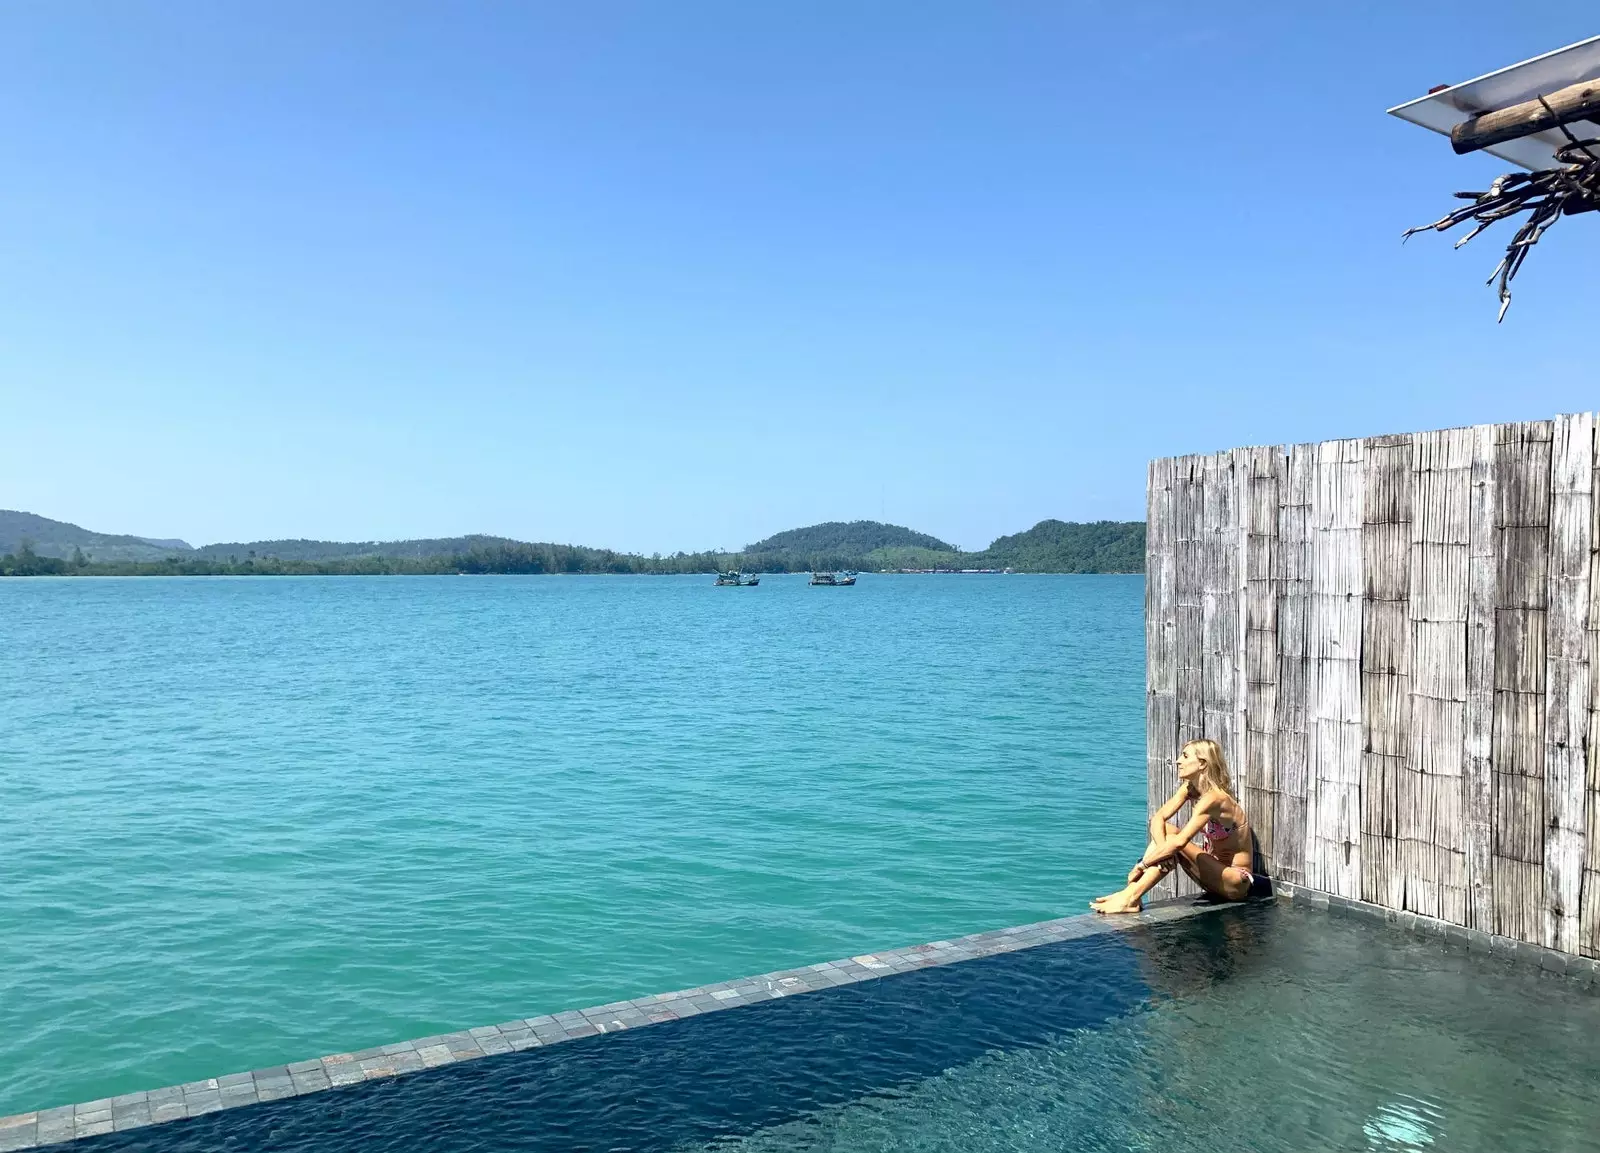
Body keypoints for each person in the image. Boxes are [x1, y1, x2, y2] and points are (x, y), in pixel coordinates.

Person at [1091, 738, 1256, 914]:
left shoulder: (1214, 799)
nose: (1178, 761)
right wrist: (1163, 853)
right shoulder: (1190, 789)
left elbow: (1179, 843)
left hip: (1236, 882)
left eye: (1185, 756)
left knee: (1173, 841)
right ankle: (1130, 895)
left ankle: (1130, 897)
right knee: (1167, 833)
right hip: (1214, 873)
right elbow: (1158, 818)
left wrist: (1143, 864)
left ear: (1202, 763)